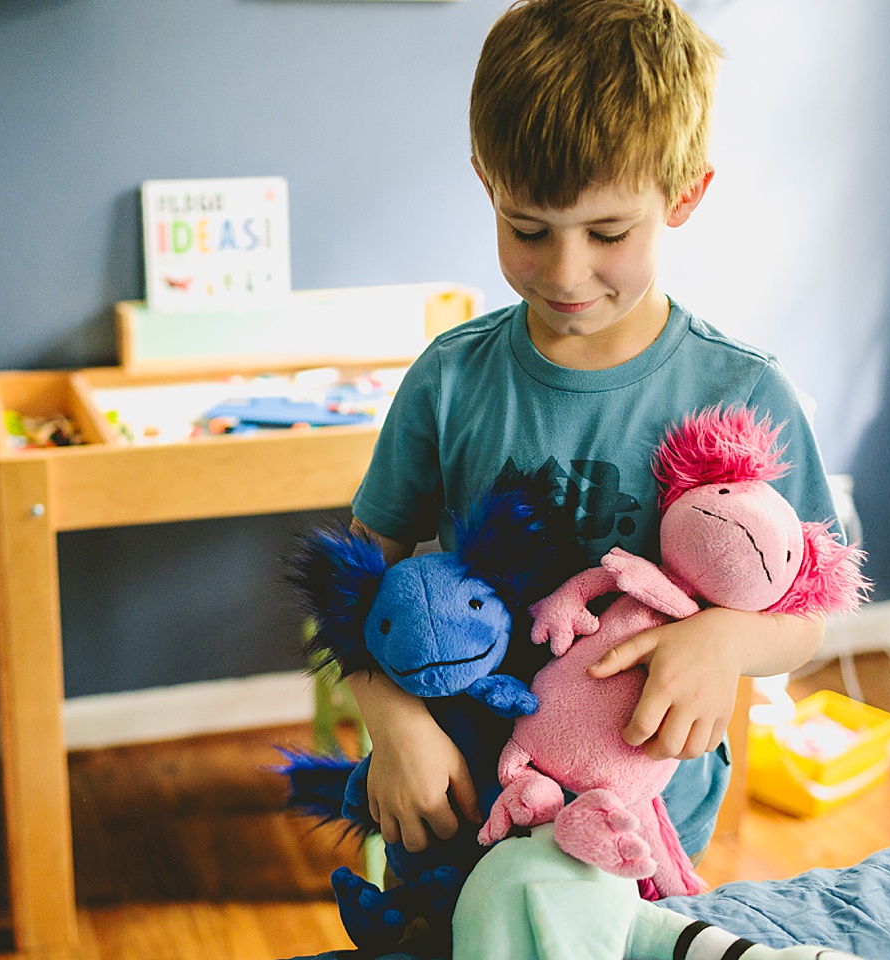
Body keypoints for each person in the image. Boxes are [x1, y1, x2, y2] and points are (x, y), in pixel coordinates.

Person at [347, 0, 843, 868]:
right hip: (460, 796)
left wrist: (725, 639)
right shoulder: (452, 377)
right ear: (485, 183)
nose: (566, 273)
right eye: (527, 229)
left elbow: (809, 621)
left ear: (685, 194)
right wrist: (393, 723)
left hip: (642, 825)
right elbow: (353, 579)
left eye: (608, 233)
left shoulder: (743, 391)